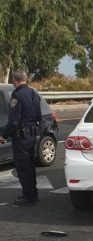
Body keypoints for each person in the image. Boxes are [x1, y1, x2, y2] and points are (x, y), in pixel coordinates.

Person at [0, 69, 42, 206]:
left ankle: (28, 197)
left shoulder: (17, 96)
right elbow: (39, 118)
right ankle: (33, 194)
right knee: (30, 166)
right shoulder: (34, 94)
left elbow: (13, 121)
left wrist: (4, 136)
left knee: (23, 167)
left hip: (21, 138)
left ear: (14, 80)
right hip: (32, 136)